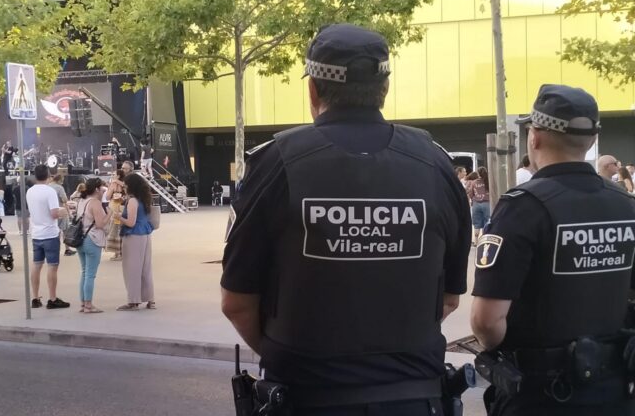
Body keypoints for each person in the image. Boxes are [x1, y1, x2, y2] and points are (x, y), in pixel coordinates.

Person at [220, 24, 471, 415]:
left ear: (313, 89)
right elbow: (449, 298)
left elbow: (237, 303)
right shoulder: (435, 163)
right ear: (383, 89)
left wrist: (299, 359)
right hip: (414, 400)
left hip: (308, 398)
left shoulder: (275, 163)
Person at [471, 84, 635, 416]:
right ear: (590, 141)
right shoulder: (626, 205)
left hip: (541, 393)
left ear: (534, 137)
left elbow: (486, 322)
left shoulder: (523, 208)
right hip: (614, 390)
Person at [26, 164, 70, 310]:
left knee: (36, 265)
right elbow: (53, 214)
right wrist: (63, 211)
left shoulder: (30, 191)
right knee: (52, 266)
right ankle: (52, 298)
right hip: (50, 233)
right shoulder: (49, 191)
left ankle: (35, 297)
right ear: (48, 175)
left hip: (36, 233)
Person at [117, 173, 156, 311]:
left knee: (132, 269)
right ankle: (150, 299)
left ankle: (133, 301)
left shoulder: (132, 201)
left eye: (126, 185)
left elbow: (131, 222)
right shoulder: (144, 199)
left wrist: (118, 216)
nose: (124, 188)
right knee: (146, 268)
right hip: (145, 234)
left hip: (133, 236)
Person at [75, 178, 111, 313]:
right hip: (92, 240)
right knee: (90, 274)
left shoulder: (81, 201)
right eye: (103, 189)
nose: (104, 192)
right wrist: (110, 213)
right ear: (97, 189)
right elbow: (100, 224)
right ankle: (89, 305)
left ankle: (83, 304)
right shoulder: (95, 203)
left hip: (80, 240)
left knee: (84, 272)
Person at [49, 174, 75, 257]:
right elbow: (64, 199)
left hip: (50, 211)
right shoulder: (59, 188)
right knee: (65, 230)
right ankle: (67, 249)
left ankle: (54, 249)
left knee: (54, 231)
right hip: (61, 210)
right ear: (59, 179)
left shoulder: (48, 186)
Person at [106, 169, 128, 261]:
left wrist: (112, 184)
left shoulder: (114, 184)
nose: (113, 175)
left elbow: (107, 196)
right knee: (121, 229)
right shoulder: (126, 184)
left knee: (114, 230)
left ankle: (117, 253)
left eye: (114, 174)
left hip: (114, 208)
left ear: (118, 176)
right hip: (123, 207)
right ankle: (122, 252)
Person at [467, 166, 490, 241]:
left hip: (476, 204)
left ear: (478, 173)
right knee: (487, 222)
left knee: (477, 223)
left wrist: (473, 200)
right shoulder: (488, 181)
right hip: (487, 203)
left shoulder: (474, 182)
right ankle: (485, 240)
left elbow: (471, 193)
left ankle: (476, 241)